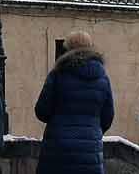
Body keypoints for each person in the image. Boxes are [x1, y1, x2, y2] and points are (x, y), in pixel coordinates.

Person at [34, 31, 114, 174]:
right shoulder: (103, 78)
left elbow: (42, 111)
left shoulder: (57, 74)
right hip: (90, 151)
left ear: (68, 48)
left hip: (57, 150)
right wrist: (91, 130)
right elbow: (108, 117)